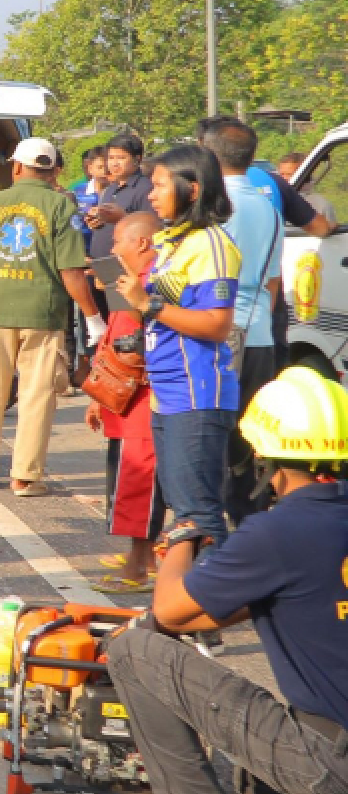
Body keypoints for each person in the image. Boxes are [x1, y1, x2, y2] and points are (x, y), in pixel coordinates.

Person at [104, 367, 348, 794]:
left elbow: (170, 612)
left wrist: (182, 539)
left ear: (264, 457)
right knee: (251, 782)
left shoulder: (278, 531)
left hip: (331, 757)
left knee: (133, 648)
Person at [110, 145, 241, 553]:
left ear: (193, 188)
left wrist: (147, 302)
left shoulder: (210, 244)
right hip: (167, 391)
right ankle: (189, 599)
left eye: (161, 185)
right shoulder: (174, 241)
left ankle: (208, 603)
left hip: (195, 390)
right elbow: (164, 311)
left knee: (199, 512)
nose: (151, 194)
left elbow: (217, 325)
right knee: (183, 512)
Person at [0, 139, 103, 495]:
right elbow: (71, 270)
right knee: (37, 394)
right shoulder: (59, 206)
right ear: (52, 171)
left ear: (16, 167)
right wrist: (93, 317)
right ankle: (25, 476)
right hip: (43, 312)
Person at [199, 118, 284, 525]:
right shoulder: (268, 206)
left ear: (209, 155)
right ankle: (249, 520)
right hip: (260, 331)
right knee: (249, 440)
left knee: (212, 434)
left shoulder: (213, 208)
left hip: (219, 330)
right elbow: (272, 281)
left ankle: (208, 530)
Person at [87, 212, 166, 592]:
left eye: (118, 240)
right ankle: (143, 557)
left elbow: (138, 343)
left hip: (144, 398)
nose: (113, 248)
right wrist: (97, 394)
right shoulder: (128, 282)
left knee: (140, 483)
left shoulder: (152, 283)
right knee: (128, 478)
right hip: (121, 395)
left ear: (141, 243)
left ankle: (138, 569)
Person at [85, 133, 155, 309]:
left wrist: (123, 218)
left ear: (137, 159)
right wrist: (96, 222)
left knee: (124, 321)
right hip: (101, 268)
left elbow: (151, 229)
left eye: (121, 158)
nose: (114, 163)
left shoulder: (144, 188)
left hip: (125, 272)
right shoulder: (110, 190)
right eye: (111, 158)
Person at [280, 151, 337, 223]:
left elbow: (331, 231)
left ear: (306, 176)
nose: (284, 178)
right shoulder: (276, 199)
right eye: (282, 174)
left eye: (289, 174)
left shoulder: (321, 205)